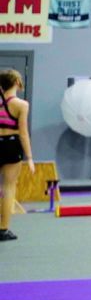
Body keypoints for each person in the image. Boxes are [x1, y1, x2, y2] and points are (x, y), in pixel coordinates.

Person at [0, 69, 32, 243]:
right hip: (11, 144)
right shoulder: (21, 105)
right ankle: (2, 229)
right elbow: (23, 133)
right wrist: (30, 157)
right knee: (8, 188)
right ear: (17, 83)